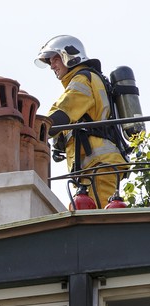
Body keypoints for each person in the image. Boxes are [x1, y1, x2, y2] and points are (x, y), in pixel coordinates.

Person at [35, 35, 127, 204]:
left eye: (55, 59)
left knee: (100, 222)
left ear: (69, 56)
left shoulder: (82, 79)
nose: (52, 66)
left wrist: (33, 129)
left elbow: (63, 113)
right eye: (49, 62)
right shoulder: (88, 78)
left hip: (98, 165)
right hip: (92, 168)